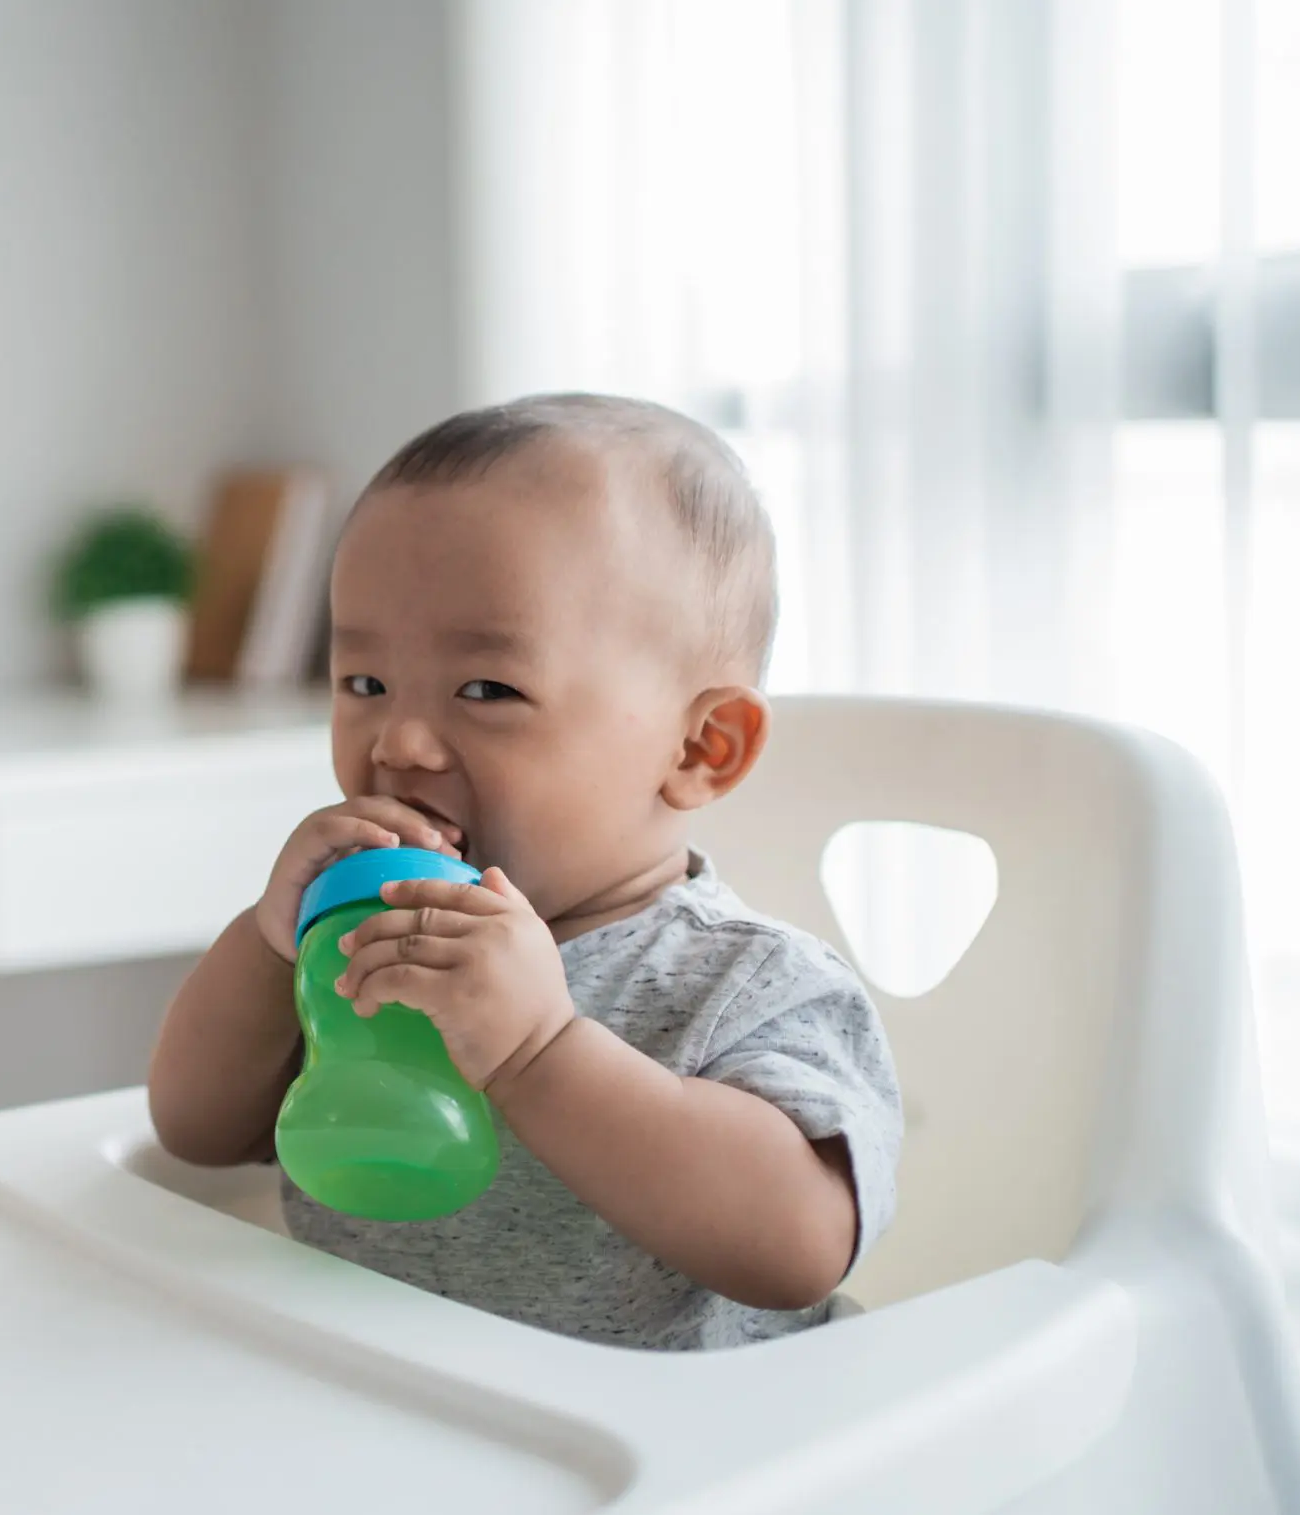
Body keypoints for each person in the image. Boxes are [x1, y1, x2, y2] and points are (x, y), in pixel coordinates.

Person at [148, 394, 902, 1351]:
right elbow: (196, 1130)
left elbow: (798, 1245)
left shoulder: (748, 983)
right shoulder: (363, 942)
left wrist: (539, 1053)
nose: (402, 741)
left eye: (488, 689)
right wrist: (268, 944)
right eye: (365, 684)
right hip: (379, 1411)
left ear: (701, 746)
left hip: (665, 1465)